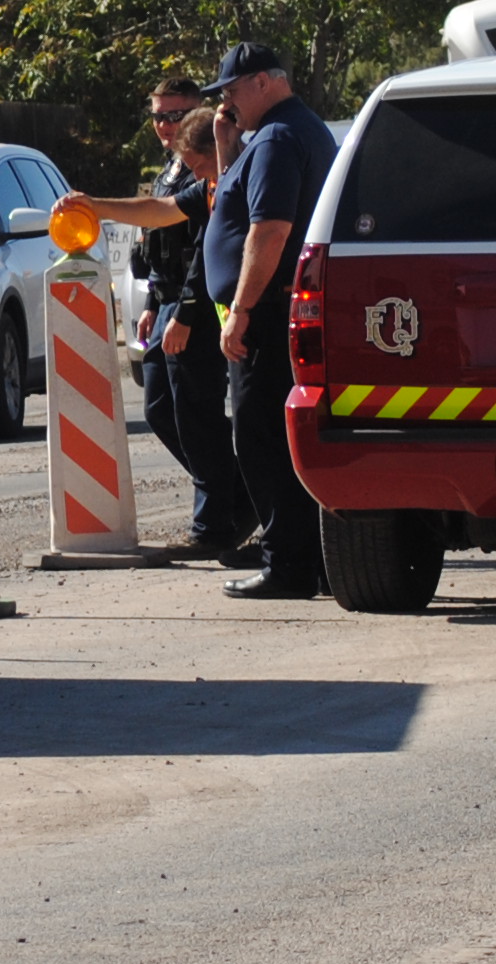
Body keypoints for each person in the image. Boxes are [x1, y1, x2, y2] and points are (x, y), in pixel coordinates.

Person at [59, 95, 250, 559]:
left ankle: (220, 522)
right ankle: (238, 501)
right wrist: (95, 205)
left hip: (215, 314)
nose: (191, 171)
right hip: (186, 308)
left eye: (196, 163)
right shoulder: (208, 185)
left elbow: (208, 259)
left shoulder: (235, 181)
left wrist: (184, 314)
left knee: (200, 415)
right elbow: (159, 212)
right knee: (166, 410)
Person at [204, 41, 339, 599]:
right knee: (281, 439)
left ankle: (288, 564)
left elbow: (270, 230)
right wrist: (226, 146)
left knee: (262, 439)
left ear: (264, 82)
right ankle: (312, 561)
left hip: (270, 314)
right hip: (286, 307)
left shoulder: (280, 138)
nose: (228, 102)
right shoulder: (296, 130)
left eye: (233, 90)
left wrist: (241, 310)